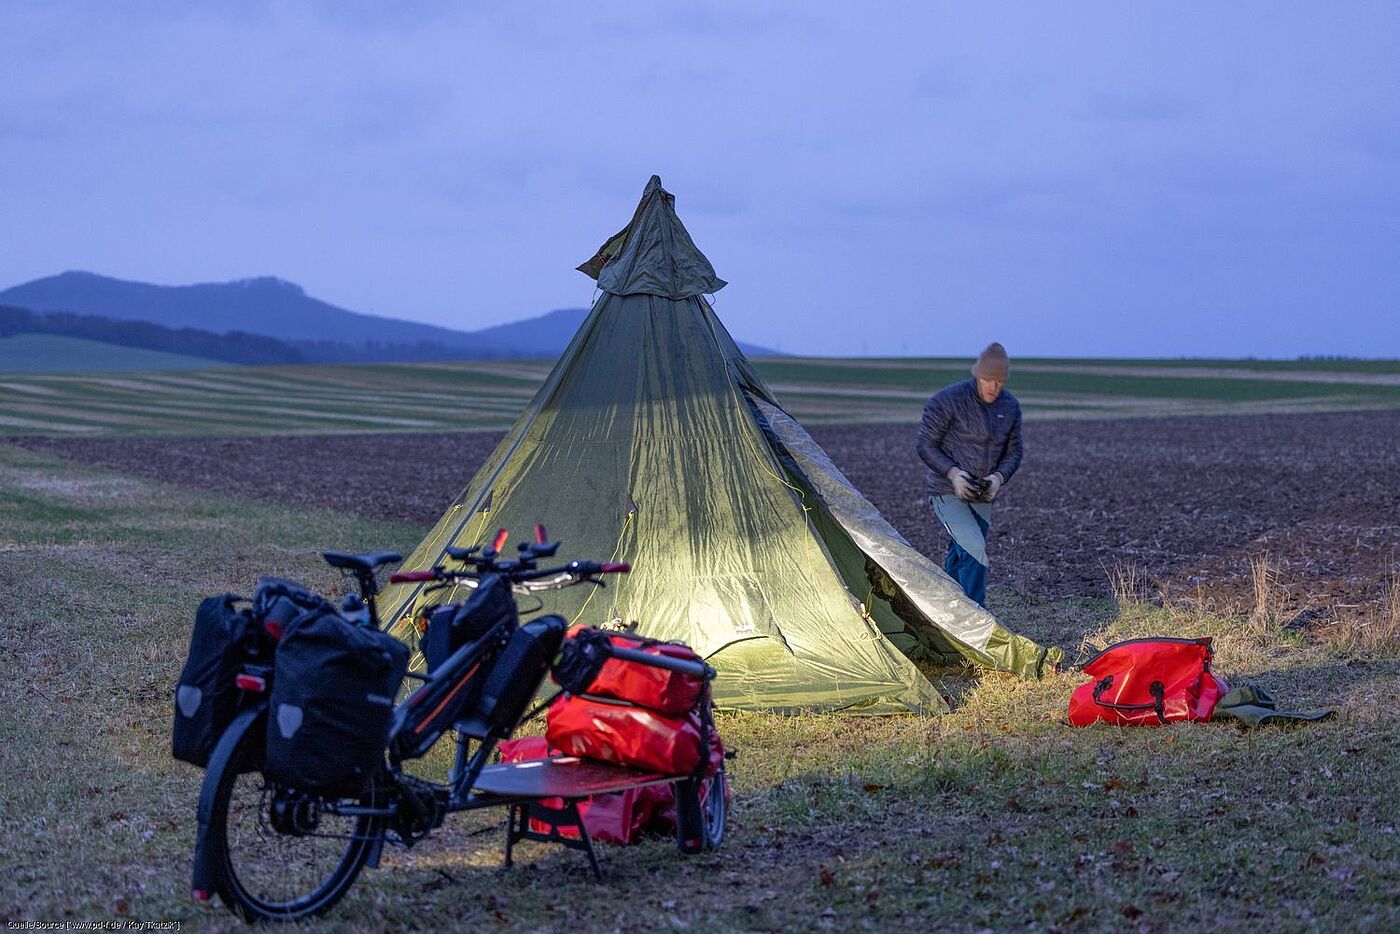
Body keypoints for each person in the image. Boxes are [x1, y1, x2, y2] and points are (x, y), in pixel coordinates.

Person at [916, 342, 1022, 607]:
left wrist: (998, 478)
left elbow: (1015, 452)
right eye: (987, 379)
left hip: (982, 495)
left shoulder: (1010, 407)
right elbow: (925, 445)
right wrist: (953, 474)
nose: (992, 387)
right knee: (975, 553)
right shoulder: (948, 400)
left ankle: (945, 612)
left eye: (999, 381)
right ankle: (978, 618)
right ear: (977, 374)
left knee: (960, 553)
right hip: (947, 490)